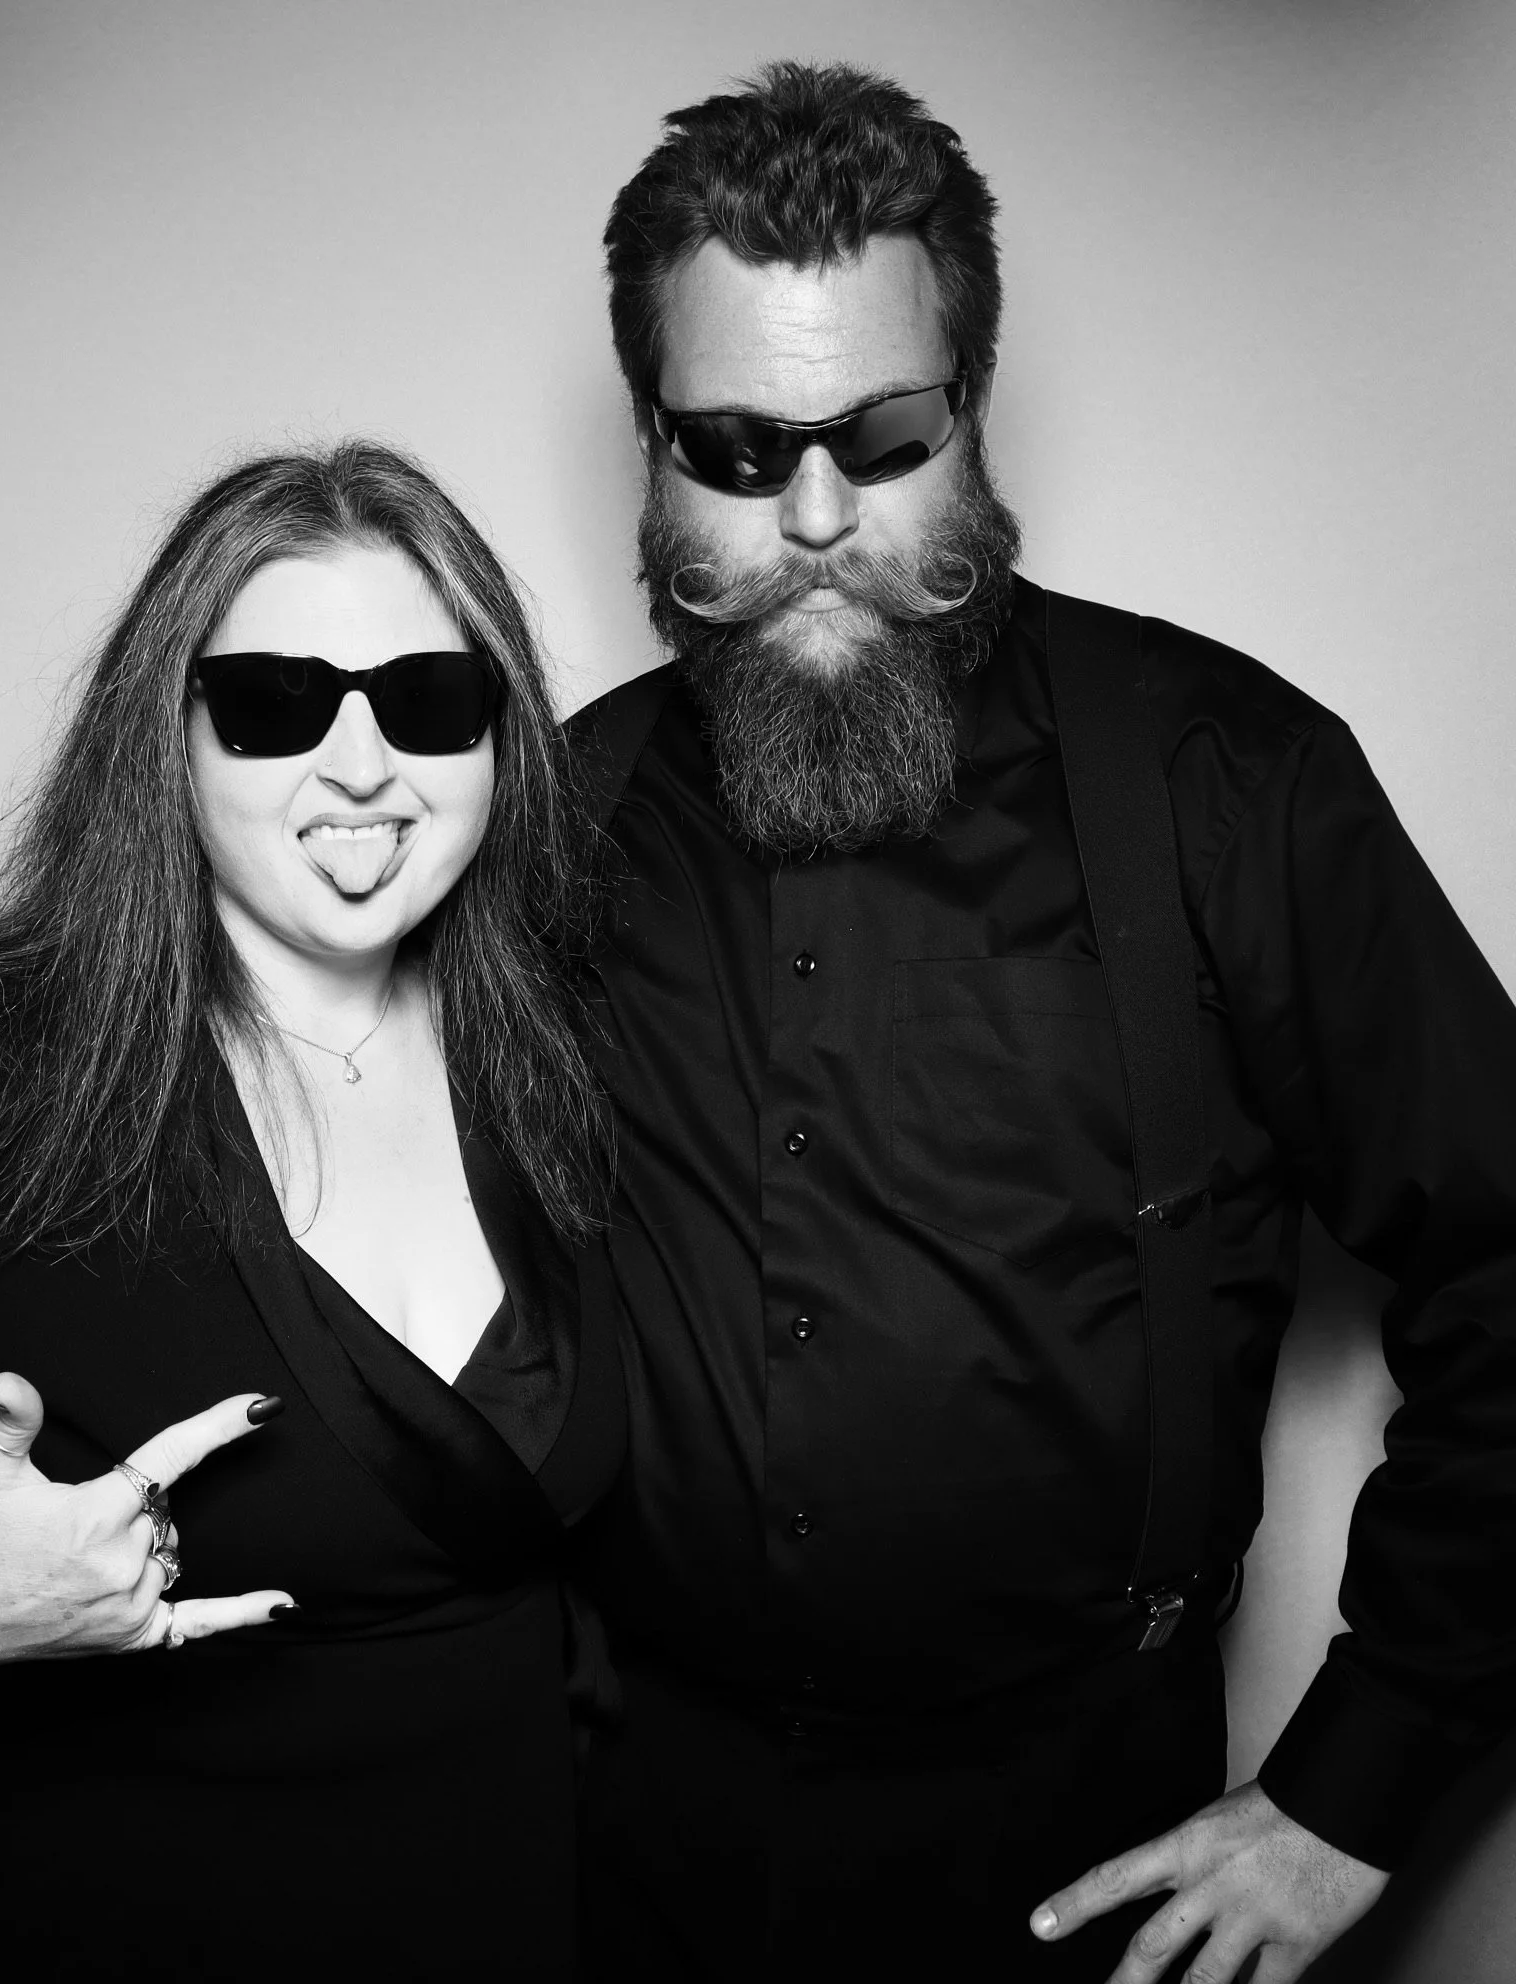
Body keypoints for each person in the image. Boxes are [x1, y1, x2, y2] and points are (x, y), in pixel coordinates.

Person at [568, 61, 1516, 1984]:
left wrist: (1361, 1785)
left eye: (885, 435)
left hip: (1087, 1863)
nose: (817, 515)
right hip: (618, 1847)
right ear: (651, 449)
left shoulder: (1225, 779)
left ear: (972, 417)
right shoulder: (547, 823)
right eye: (737, 450)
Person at [0, 441, 619, 1982]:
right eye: (275, 704)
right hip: (93, 1916)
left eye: (428, 699)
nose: (365, 764)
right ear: (161, 738)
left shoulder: (564, 1054)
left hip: (500, 1898)